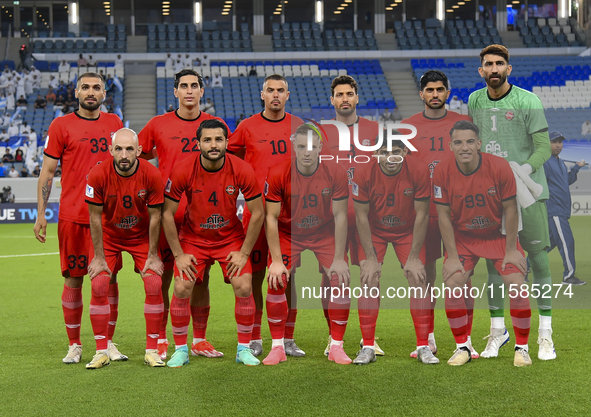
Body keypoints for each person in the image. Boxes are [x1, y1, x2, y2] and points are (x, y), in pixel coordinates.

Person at [468, 44, 555, 360]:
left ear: (509, 69)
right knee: (495, 264)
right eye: (488, 64)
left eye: (499, 64)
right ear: (481, 71)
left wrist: (522, 170)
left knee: (538, 259)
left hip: (528, 193)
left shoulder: (528, 101)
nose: (494, 69)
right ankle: (496, 332)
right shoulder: (474, 100)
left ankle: (545, 335)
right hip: (491, 197)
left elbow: (544, 147)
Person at [33, 72, 125, 364]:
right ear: (76, 91)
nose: (90, 92)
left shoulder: (114, 124)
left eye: (96, 87)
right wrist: (41, 214)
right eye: (85, 87)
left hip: (108, 218)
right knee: (74, 280)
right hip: (73, 216)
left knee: (108, 281)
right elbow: (47, 172)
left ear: (104, 93)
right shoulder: (61, 125)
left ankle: (108, 342)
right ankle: (74, 344)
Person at [139, 68, 229, 361]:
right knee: (163, 279)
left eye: (194, 86)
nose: (189, 91)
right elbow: (135, 158)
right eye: (183, 86)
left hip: (203, 218)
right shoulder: (157, 124)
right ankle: (162, 339)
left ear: (202, 91)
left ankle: (199, 340)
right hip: (168, 216)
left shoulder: (214, 126)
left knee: (201, 280)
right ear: (175, 92)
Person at [162, 119, 264, 368]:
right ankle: (181, 350)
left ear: (227, 142)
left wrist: (244, 253)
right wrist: (178, 255)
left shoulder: (241, 168)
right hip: (193, 238)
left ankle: (243, 349)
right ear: (198, 143)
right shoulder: (183, 169)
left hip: (229, 238)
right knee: (182, 287)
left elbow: (258, 212)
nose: (213, 144)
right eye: (207, 140)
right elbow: (166, 214)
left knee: (244, 284)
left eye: (218, 139)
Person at [434, 120, 532, 367]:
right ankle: (463, 346)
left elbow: (511, 210)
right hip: (464, 238)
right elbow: (443, 216)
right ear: (451, 146)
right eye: (458, 142)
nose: (464, 147)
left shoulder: (498, 167)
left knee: (517, 284)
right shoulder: (442, 171)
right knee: (454, 282)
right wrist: (453, 256)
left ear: (479, 144)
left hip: (497, 237)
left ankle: (522, 347)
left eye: (469, 142)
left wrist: (511, 250)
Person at [228, 74, 304, 357]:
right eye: (270, 90)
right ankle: (258, 336)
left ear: (287, 95)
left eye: (280, 90)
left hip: (291, 215)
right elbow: (228, 158)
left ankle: (288, 337)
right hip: (256, 213)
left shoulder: (300, 127)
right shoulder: (247, 127)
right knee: (257, 275)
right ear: (262, 94)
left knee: (289, 275)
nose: (275, 95)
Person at [400, 69, 474, 358]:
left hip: (459, 216)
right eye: (429, 90)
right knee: (423, 278)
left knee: (462, 277)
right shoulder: (406, 128)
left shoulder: (463, 124)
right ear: (421, 94)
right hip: (422, 215)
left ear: (447, 92)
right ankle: (427, 338)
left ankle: (464, 340)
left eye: (439, 90)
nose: (434, 94)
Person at [264, 124, 351, 365]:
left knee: (340, 279)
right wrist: (278, 262)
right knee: (277, 279)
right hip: (289, 233)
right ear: (294, 146)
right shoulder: (278, 172)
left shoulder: (336, 172)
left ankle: (336, 346)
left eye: (312, 146)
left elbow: (340, 216)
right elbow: (270, 217)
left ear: (321, 147)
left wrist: (339, 259)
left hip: (324, 232)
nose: (306, 152)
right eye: (301, 146)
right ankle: (277, 347)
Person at [84, 128, 165, 369]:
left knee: (154, 282)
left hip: (140, 236)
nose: (124, 154)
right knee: (99, 282)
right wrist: (99, 258)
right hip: (109, 236)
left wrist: (152, 255)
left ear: (139, 151)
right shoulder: (97, 175)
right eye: (118, 148)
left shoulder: (152, 174)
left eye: (130, 149)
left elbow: (155, 217)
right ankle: (101, 351)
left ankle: (152, 351)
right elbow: (95, 219)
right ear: (110, 150)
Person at [352, 136, 431, 365]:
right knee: (369, 279)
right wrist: (370, 258)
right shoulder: (364, 172)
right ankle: (368, 347)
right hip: (374, 231)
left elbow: (423, 214)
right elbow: (361, 216)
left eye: (396, 151)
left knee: (418, 279)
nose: (390, 157)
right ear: (376, 154)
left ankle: (423, 346)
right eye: (384, 152)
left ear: (405, 151)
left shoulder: (418, 170)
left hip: (407, 231)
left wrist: (414, 257)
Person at [320, 75, 384, 356]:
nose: (344, 98)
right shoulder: (320, 133)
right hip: (331, 219)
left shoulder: (375, 130)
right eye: (339, 94)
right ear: (332, 100)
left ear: (357, 98)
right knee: (332, 278)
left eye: (349, 94)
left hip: (368, 219)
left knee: (371, 276)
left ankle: (368, 338)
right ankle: (334, 337)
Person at [543, 131, 586, 286]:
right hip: (555, 210)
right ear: (547, 143)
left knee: (547, 244)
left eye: (560, 142)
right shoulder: (545, 162)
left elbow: (565, 181)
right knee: (567, 242)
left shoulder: (559, 162)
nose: (558, 145)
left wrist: (576, 168)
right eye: (554, 142)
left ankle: (524, 266)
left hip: (560, 210)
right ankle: (568, 276)